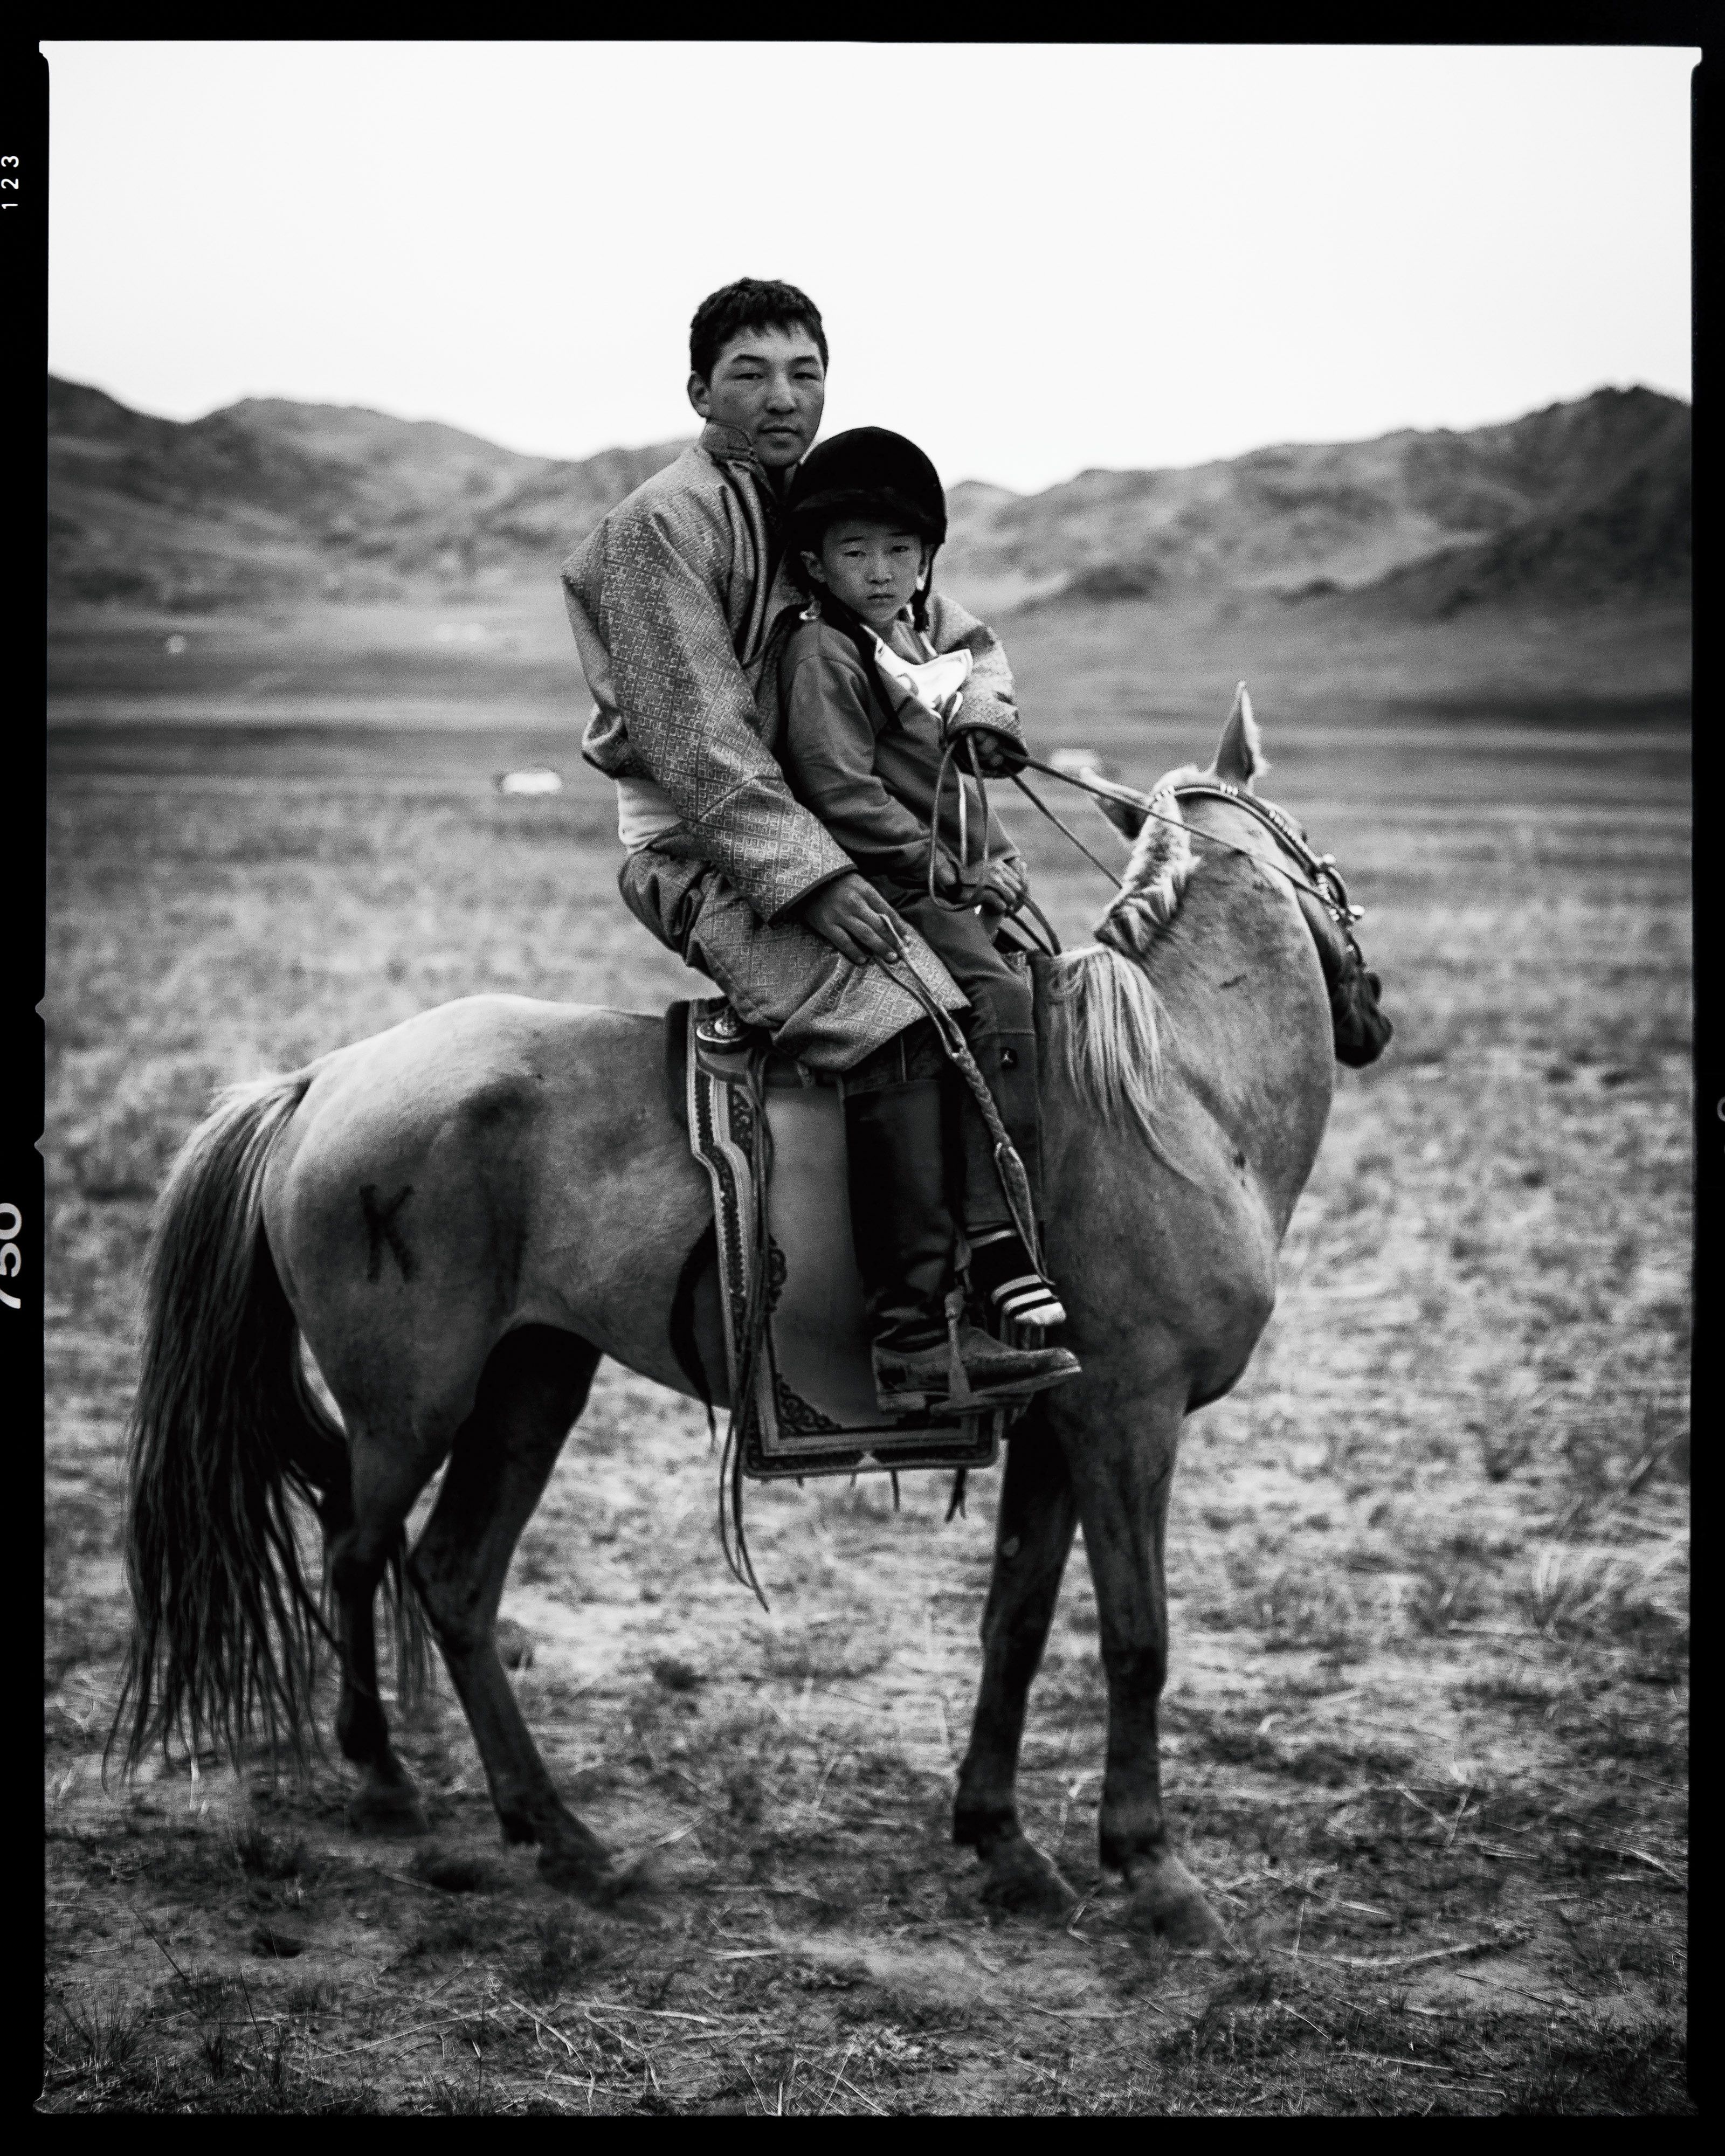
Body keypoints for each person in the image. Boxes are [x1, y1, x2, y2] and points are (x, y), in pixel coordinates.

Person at [561, 279, 1078, 1415]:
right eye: (750, 374)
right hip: (705, 846)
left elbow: (947, 633)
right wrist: (815, 877)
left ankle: (1008, 1260)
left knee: (1008, 987)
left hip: (831, 832)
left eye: (804, 374)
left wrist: (983, 712)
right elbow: (697, 741)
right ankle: (912, 1341)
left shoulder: (824, 508)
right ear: (699, 391)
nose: (782, 397)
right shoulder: (659, 528)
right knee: (897, 1007)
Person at [777, 429, 1070, 1339]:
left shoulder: (908, 641)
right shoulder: (824, 651)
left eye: (899, 550)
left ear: (926, 561)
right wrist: (948, 870)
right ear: (815, 564)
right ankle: (998, 1240)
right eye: (855, 552)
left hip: (937, 877)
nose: (879, 571)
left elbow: (951, 768)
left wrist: (996, 854)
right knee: (999, 1000)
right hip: (891, 885)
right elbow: (841, 791)